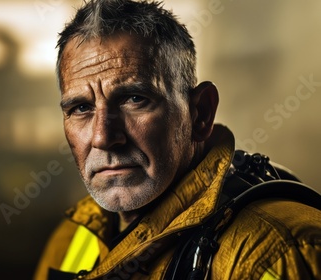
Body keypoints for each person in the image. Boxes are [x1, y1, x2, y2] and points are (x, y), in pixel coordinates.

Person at [34, 0, 321, 279]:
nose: (103, 137)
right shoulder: (73, 236)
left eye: (135, 99)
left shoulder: (279, 252)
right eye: (81, 108)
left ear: (200, 114)